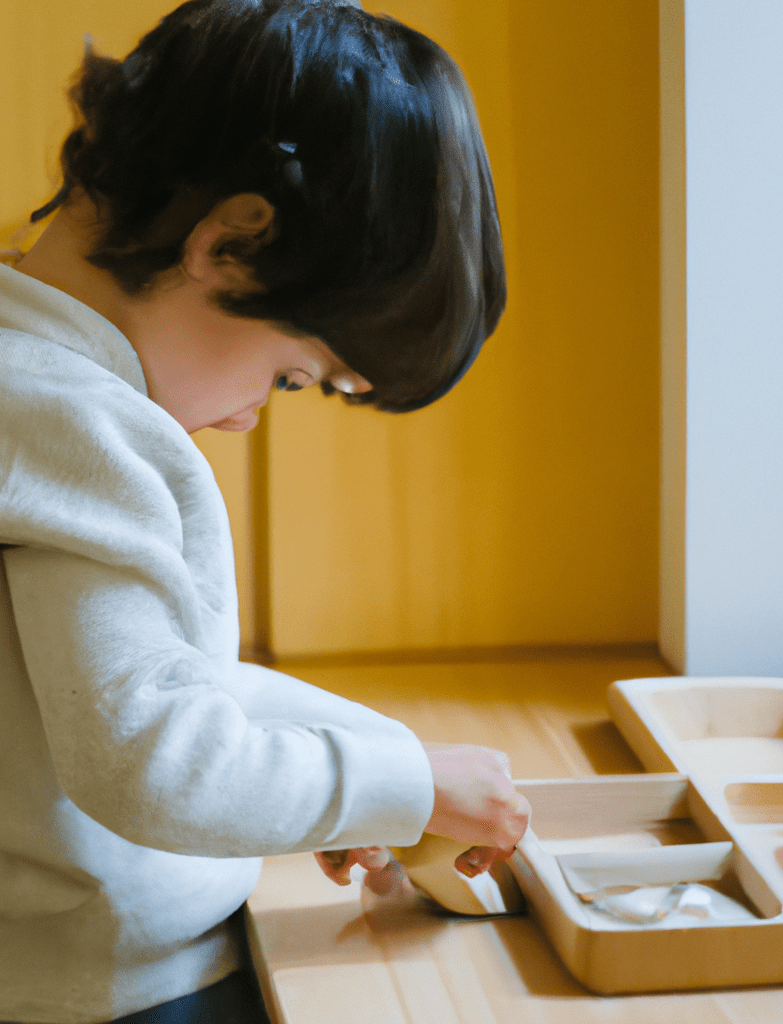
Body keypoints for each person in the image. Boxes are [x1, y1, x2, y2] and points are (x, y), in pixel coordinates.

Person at [0, 1, 529, 1021]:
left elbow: (158, 682)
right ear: (235, 242)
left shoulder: (24, 377)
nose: (248, 418)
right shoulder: (87, 430)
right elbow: (148, 758)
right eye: (293, 375)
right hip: (117, 991)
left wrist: (383, 769)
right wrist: (402, 784)